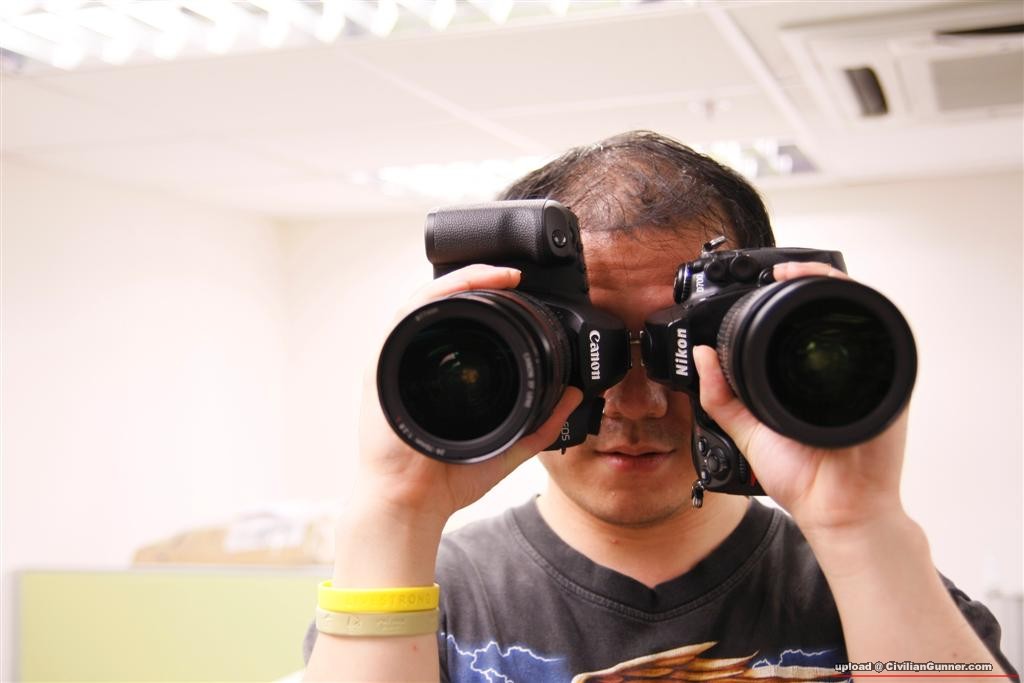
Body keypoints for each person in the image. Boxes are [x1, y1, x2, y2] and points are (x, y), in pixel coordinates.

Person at [303, 131, 1016, 681]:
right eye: (589, 350)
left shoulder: (870, 587)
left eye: (678, 346)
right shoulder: (432, 593)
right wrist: (394, 507)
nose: (634, 403)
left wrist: (860, 523)